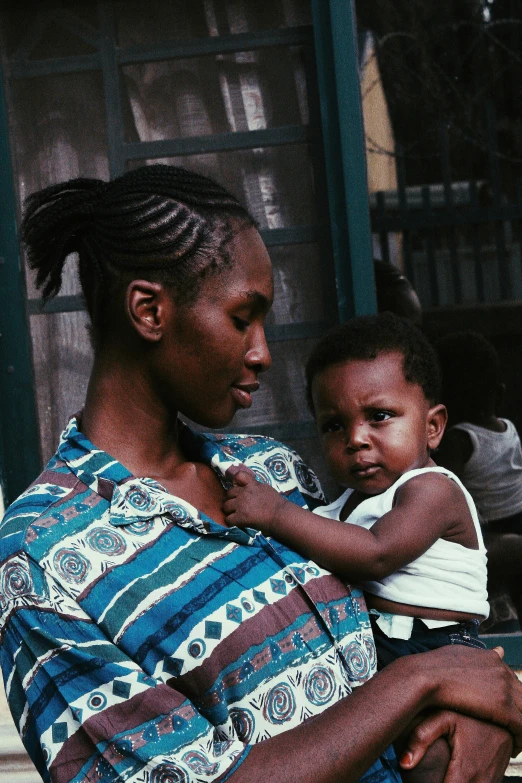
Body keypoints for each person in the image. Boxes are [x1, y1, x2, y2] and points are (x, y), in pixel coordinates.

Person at [0, 166, 520, 783]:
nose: (263, 352)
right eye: (243, 317)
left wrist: (490, 718)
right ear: (148, 310)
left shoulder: (269, 471)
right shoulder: (43, 559)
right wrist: (422, 677)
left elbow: (403, 638)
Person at [222, 313, 489, 782]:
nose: (356, 440)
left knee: (433, 761)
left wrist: (276, 514)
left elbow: (376, 551)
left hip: (435, 646)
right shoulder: (342, 508)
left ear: (433, 426)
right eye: (333, 426)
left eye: (379, 417)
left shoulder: (432, 490)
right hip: (380, 645)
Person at [435, 330, 522, 626]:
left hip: (492, 534)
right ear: (498, 393)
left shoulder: (459, 440)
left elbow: (446, 492)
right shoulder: (508, 428)